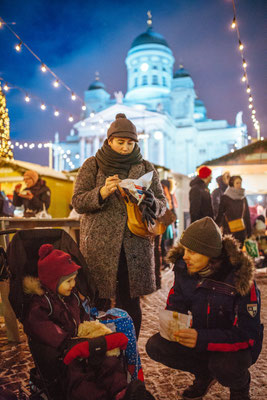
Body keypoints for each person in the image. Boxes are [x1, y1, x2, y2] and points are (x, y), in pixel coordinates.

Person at [146, 217, 263, 400]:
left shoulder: (240, 278)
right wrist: (173, 323)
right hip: (201, 339)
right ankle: (204, 375)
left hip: (234, 347)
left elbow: (248, 336)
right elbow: (176, 306)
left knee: (224, 366)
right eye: (184, 249)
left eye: (192, 251)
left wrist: (201, 338)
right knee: (156, 346)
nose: (185, 256)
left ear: (210, 254)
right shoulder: (185, 270)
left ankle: (240, 385)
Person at [72, 113, 166, 338]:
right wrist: (102, 193)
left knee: (130, 302)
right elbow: (77, 201)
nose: (125, 147)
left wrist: (149, 199)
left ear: (136, 143)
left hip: (135, 245)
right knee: (99, 300)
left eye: (130, 142)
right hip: (100, 246)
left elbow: (162, 205)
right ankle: (101, 350)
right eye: (120, 142)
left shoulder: (145, 167)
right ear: (110, 140)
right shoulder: (92, 164)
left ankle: (129, 348)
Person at [23, 243, 153, 400]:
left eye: (74, 280)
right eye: (69, 281)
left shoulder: (73, 296)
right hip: (63, 352)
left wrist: (91, 331)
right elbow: (39, 326)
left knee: (108, 362)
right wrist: (64, 341)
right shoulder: (41, 304)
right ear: (53, 281)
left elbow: (83, 315)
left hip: (82, 343)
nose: (73, 285)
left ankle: (121, 392)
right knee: (79, 378)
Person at [216, 175, 251, 247]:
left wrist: (249, 231)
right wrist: (216, 226)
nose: (239, 185)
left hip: (241, 230)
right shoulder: (225, 197)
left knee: (240, 251)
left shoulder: (243, 198)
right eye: (237, 183)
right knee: (229, 250)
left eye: (240, 183)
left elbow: (247, 215)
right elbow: (220, 213)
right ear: (232, 184)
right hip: (228, 230)